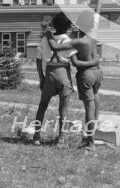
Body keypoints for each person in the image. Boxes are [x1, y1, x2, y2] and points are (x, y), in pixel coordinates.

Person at [32, 12, 96, 145]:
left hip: (49, 74)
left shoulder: (45, 39)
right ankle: (61, 140)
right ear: (68, 27)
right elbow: (74, 61)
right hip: (63, 76)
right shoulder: (68, 41)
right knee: (63, 110)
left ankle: (36, 137)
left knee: (42, 106)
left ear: (54, 24)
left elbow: (38, 60)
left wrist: (41, 77)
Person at [46, 10, 102, 148]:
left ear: (79, 25)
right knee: (95, 103)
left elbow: (55, 47)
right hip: (98, 74)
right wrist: (94, 63)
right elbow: (96, 59)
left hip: (86, 75)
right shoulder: (93, 37)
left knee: (89, 107)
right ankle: (91, 136)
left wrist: (48, 34)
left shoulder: (78, 42)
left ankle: (90, 142)